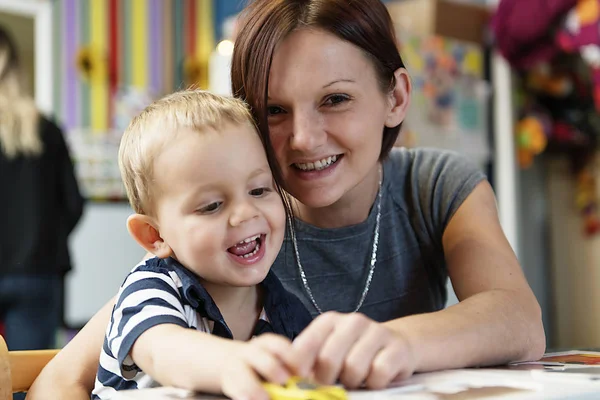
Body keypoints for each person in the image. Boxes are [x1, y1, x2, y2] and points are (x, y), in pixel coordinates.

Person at [28, 0, 546, 399]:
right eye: (274, 110)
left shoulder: (434, 184)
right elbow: (65, 376)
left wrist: (402, 343)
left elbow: (518, 320)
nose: (303, 138)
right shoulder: (232, 228)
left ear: (396, 97)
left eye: (335, 99)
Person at [91, 90, 313, 399]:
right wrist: (232, 364)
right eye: (211, 206)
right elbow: (163, 351)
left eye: (260, 190)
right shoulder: (151, 290)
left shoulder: (284, 309)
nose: (246, 213)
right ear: (154, 235)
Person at [0, 25, 84, 353]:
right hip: (38, 272)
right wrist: (43, 240)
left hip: (36, 266)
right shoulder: (46, 129)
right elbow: (74, 203)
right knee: (29, 380)